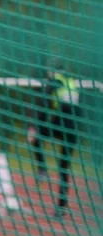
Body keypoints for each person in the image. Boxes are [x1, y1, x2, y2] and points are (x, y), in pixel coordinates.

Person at [27, 58, 82, 219]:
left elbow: (45, 103)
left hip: (63, 124)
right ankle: (60, 208)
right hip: (72, 127)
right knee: (63, 168)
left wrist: (35, 126)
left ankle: (42, 169)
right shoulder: (71, 81)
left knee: (36, 137)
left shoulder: (56, 82)